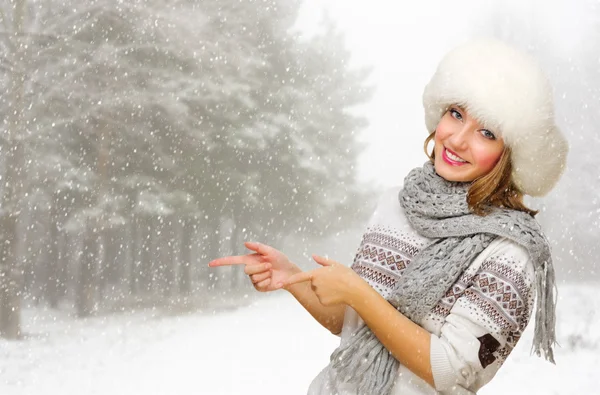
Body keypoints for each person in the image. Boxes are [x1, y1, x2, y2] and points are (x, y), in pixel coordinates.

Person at [208, 37, 568, 394]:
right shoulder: (396, 205)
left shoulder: (509, 251)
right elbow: (353, 326)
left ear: (510, 154)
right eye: (455, 114)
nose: (457, 140)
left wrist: (359, 293)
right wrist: (292, 278)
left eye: (486, 133)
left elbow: (452, 371)